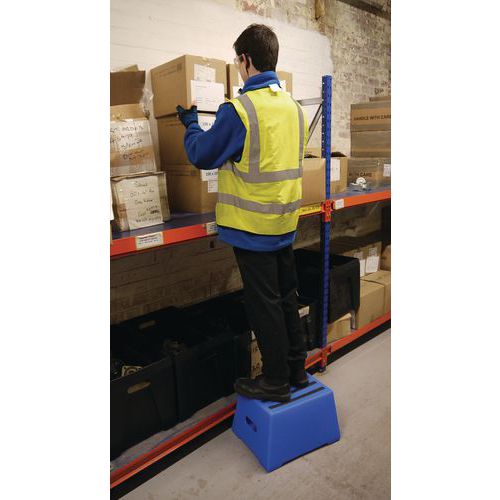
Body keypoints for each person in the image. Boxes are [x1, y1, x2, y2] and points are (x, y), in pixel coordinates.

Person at [176, 24, 309, 402]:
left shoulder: (241, 110)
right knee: (286, 296)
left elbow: (202, 154)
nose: (237, 67)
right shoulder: (294, 108)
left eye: (237, 61)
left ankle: (275, 380)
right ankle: (297, 370)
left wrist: (190, 126)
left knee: (263, 304)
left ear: (246, 60)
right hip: (284, 222)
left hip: (253, 229)